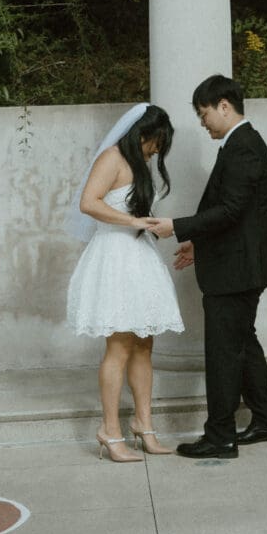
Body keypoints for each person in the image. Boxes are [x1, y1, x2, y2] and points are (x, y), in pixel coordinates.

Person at [148, 75, 267, 459]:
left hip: (237, 272)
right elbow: (234, 216)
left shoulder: (243, 149)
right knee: (243, 343)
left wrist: (176, 227)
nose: (202, 121)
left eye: (204, 113)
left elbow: (229, 210)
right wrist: (198, 242)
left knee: (224, 352)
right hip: (239, 266)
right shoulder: (240, 146)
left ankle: (221, 436)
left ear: (224, 106)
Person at [66, 103, 184, 463]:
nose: (157, 151)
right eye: (156, 142)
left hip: (140, 258)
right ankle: (109, 430)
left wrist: (148, 224)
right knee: (118, 347)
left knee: (145, 344)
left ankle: (144, 426)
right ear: (142, 133)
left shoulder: (140, 164)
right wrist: (132, 223)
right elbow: (89, 202)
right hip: (114, 259)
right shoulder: (112, 158)